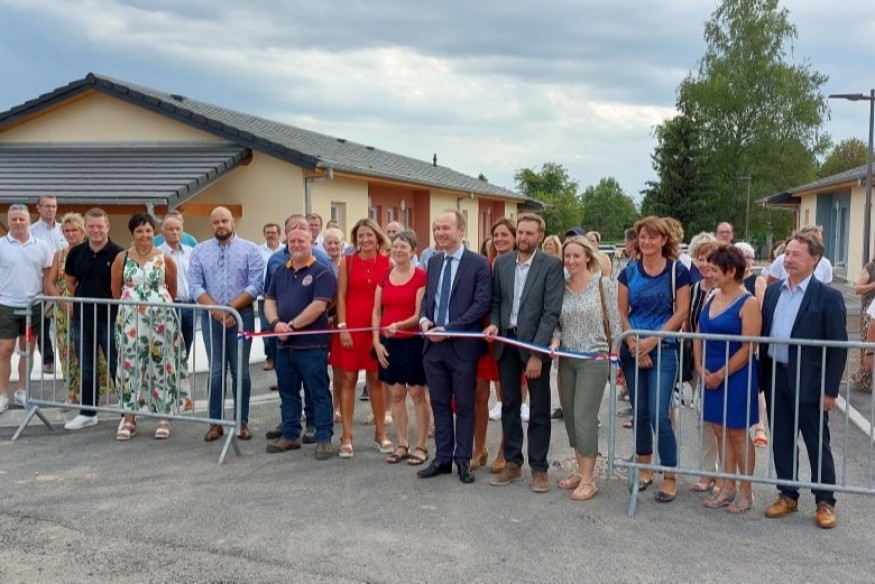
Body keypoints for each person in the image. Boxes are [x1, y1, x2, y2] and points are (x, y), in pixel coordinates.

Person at [760, 230, 847, 529]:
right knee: (782, 438)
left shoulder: (828, 297)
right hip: (776, 375)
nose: (789, 259)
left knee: (816, 441)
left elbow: (838, 348)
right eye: (787, 253)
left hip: (810, 382)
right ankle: (787, 494)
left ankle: (825, 501)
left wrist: (830, 390)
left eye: (796, 254)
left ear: (815, 259)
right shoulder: (773, 292)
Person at [485, 213, 564, 493]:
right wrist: (494, 323)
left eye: (529, 233)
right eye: (520, 232)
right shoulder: (502, 264)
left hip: (534, 346)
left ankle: (539, 468)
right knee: (509, 405)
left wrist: (536, 353)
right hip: (506, 343)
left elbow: (551, 312)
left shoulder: (552, 266)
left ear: (540, 236)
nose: (522, 238)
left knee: (540, 408)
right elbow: (496, 302)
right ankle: (512, 463)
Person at [617, 216, 691, 503]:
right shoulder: (629, 272)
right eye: (642, 237)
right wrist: (634, 344)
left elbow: (681, 312)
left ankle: (669, 474)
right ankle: (645, 467)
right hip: (634, 347)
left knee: (660, 413)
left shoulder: (678, 272)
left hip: (665, 347)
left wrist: (652, 341)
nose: (646, 242)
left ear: (664, 240)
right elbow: (622, 311)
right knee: (642, 411)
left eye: (652, 237)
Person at [418, 209, 491, 484]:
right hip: (433, 347)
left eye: (446, 228)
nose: (440, 233)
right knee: (439, 403)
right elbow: (429, 299)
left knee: (464, 405)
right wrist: (425, 320)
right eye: (437, 228)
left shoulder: (479, 264)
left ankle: (463, 459)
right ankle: (442, 458)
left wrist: (448, 330)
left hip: (462, 346)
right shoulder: (434, 262)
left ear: (461, 231)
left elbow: (480, 305)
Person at [550, 236, 621, 501]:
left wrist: (616, 359)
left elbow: (615, 325)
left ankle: (590, 479)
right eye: (567, 256)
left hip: (595, 359)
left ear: (588, 257)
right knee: (569, 415)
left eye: (576, 256)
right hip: (566, 359)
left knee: (583, 416)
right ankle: (580, 471)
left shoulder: (604, 285)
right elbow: (556, 322)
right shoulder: (561, 287)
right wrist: (555, 339)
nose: (571, 261)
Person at [695, 245, 761, 513]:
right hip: (710, 371)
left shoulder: (749, 303)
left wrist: (722, 374)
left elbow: (749, 347)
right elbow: (699, 332)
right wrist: (700, 367)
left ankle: (746, 490)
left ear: (731, 271)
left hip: (736, 374)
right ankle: (727, 485)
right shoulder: (712, 294)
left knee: (737, 432)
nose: (710, 274)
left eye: (715, 269)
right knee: (720, 430)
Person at [189, 206, 263, 442]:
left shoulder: (250, 249)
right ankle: (216, 422)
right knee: (217, 371)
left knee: (241, 372)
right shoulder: (200, 251)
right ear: (211, 225)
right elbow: (195, 285)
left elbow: (256, 284)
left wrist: (231, 308)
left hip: (242, 316)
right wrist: (217, 310)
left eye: (225, 221)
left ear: (233, 222)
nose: (221, 225)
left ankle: (241, 422)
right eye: (216, 222)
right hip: (212, 318)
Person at [111, 213, 188, 440]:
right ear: (132, 234)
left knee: (162, 363)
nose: (144, 235)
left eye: (148, 231)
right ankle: (129, 417)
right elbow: (116, 290)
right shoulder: (121, 258)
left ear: (154, 232)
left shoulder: (165, 258)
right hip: (130, 321)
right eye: (139, 231)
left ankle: (163, 416)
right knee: (130, 364)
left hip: (161, 320)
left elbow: (171, 289)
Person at [263, 226, 336, 459]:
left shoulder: (322, 272)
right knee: (288, 392)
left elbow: (318, 306)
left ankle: (324, 438)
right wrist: (276, 324)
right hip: (284, 345)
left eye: (301, 241)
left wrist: (291, 326)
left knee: (318, 392)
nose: (295, 245)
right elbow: (269, 301)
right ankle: (291, 434)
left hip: (311, 345)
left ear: (311, 242)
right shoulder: (280, 272)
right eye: (292, 241)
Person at [331, 218, 392, 458]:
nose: (365, 240)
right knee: (347, 379)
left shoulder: (388, 263)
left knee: (377, 379)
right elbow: (341, 296)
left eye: (369, 235)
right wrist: (343, 327)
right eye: (360, 236)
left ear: (377, 237)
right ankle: (346, 436)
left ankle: (381, 434)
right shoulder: (348, 262)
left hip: (377, 328)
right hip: (351, 327)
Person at [372, 230, 431, 465]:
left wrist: (399, 325)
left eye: (403, 247)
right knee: (396, 394)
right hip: (389, 342)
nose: (398, 250)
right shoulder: (385, 275)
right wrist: (376, 342)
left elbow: (419, 315)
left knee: (417, 393)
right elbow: (376, 311)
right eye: (395, 246)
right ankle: (402, 443)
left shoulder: (421, 277)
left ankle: (422, 446)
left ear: (413, 251)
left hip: (413, 341)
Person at [63, 208, 125, 430]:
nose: (96, 230)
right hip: (82, 319)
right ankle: (88, 412)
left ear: (107, 226)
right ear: (85, 228)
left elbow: (122, 287)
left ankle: (126, 414)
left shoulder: (119, 253)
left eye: (100, 226)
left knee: (117, 366)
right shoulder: (76, 252)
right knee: (86, 367)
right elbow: (70, 281)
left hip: (110, 319)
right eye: (91, 226)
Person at [44, 213, 110, 405]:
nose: (71, 234)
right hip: (65, 310)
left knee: (94, 352)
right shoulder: (59, 255)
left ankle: (96, 393)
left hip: (90, 307)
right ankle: (71, 393)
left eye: (75, 230)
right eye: (67, 231)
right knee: (67, 352)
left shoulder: (89, 252)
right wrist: (63, 301)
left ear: (83, 231)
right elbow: (50, 282)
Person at [0, 204, 53, 413]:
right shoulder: (1, 245)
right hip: (7, 305)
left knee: (28, 349)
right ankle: (2, 394)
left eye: (22, 219)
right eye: (14, 219)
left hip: (33, 306)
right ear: (9, 220)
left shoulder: (41, 246)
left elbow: (48, 273)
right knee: (4, 350)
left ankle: (22, 391)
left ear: (29, 220)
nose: (18, 222)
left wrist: (47, 298)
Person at [480, 218, 520, 474]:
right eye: (496, 235)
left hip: (509, 336)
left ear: (515, 237)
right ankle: (478, 447)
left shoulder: (520, 265)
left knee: (508, 396)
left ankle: (506, 450)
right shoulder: (487, 264)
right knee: (479, 392)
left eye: (505, 234)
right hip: (486, 332)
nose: (500, 239)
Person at [685, 233, 721, 492]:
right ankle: (709, 471)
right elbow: (689, 324)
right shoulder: (694, 289)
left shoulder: (726, 290)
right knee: (704, 418)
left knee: (724, 421)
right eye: (700, 258)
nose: (705, 263)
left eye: (710, 258)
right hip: (698, 360)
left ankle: (729, 476)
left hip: (721, 361)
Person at [29, 195, 67, 374]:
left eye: (54, 206)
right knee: (42, 323)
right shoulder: (32, 232)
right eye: (47, 206)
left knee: (65, 320)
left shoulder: (64, 230)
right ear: (38, 208)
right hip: (42, 282)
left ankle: (68, 356)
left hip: (64, 283)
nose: (51, 210)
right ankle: (48, 358)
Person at [157, 214, 196, 358]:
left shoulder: (191, 252)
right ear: (163, 232)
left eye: (178, 228)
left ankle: (183, 375)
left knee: (188, 344)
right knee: (170, 345)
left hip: (191, 305)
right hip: (170, 305)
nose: (174, 232)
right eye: (170, 229)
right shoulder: (158, 254)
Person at [766, 225, 832, 285]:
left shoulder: (826, 264)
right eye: (813, 239)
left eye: (819, 240)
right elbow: (770, 284)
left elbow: (826, 289)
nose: (816, 243)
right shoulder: (782, 260)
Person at [257, 223, 282, 373]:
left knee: (279, 326)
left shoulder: (285, 250)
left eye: (273, 232)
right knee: (266, 328)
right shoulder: (258, 251)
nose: (270, 235)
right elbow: (255, 272)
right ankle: (270, 358)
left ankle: (280, 358)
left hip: (281, 296)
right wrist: (262, 290)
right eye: (268, 232)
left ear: (279, 234)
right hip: (264, 296)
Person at [851, 258, 875, 392]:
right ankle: (865, 377)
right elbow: (858, 288)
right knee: (868, 341)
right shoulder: (870, 267)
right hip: (870, 309)